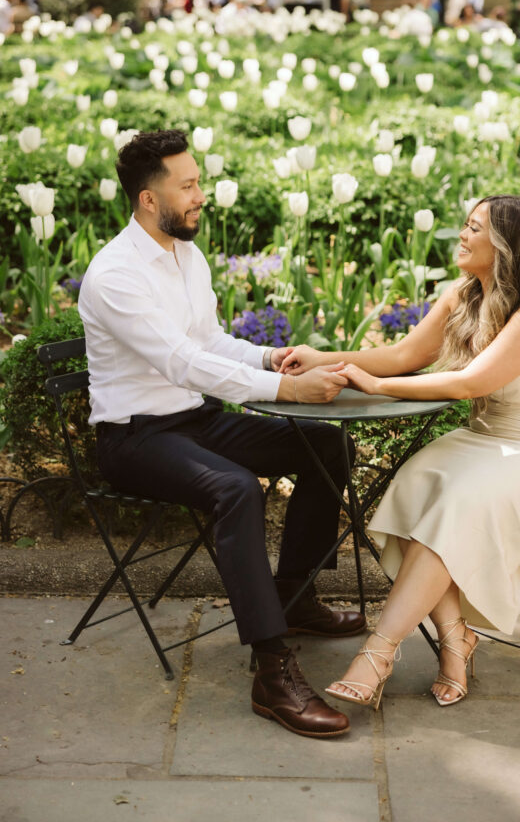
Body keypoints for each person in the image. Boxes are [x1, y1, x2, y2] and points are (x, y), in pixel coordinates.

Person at [77, 129, 366, 739]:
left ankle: (296, 598)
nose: (200, 194)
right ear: (148, 201)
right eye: (187, 185)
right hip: (133, 439)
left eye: (198, 180)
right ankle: (271, 670)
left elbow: (208, 343)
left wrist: (271, 361)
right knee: (237, 489)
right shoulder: (115, 275)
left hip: (192, 420)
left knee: (327, 445)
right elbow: (180, 362)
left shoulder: (187, 253)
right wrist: (286, 393)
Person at [280, 195, 520, 709]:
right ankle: (457, 638)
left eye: (474, 228)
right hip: (489, 437)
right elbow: (404, 355)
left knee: (458, 503)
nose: (462, 236)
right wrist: (326, 357)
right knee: (414, 484)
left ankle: (377, 653)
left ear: (505, 247)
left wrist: (378, 389)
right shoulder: (464, 296)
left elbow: (471, 382)